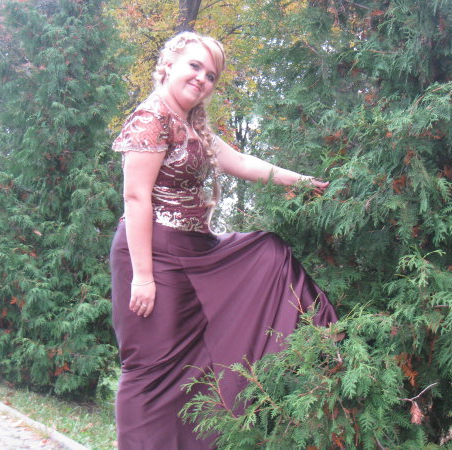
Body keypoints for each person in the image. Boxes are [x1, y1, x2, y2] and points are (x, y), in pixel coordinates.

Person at [109, 31, 338, 450]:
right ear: (169, 64)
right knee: (152, 370)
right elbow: (136, 197)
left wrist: (300, 180)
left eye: (211, 75)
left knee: (269, 254)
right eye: (195, 66)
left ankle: (325, 340)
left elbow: (242, 161)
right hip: (152, 256)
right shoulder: (151, 118)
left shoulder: (190, 125)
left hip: (194, 252)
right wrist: (143, 276)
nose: (202, 79)